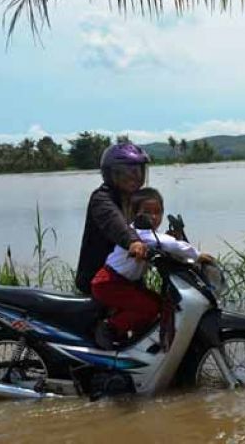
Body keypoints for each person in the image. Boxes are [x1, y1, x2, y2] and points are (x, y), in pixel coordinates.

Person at [91, 187, 215, 349]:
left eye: (158, 212)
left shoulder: (149, 234)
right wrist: (197, 255)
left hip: (123, 284)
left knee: (159, 303)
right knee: (150, 307)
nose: (154, 217)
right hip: (109, 284)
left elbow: (162, 241)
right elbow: (167, 244)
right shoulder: (136, 233)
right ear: (135, 214)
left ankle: (139, 341)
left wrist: (170, 239)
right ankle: (109, 328)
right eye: (147, 212)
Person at [75, 142, 151, 295]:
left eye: (138, 169)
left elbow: (147, 231)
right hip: (100, 283)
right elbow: (115, 224)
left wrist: (173, 243)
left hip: (124, 279)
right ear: (111, 174)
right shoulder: (101, 199)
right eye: (127, 171)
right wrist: (133, 242)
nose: (134, 175)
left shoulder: (136, 200)